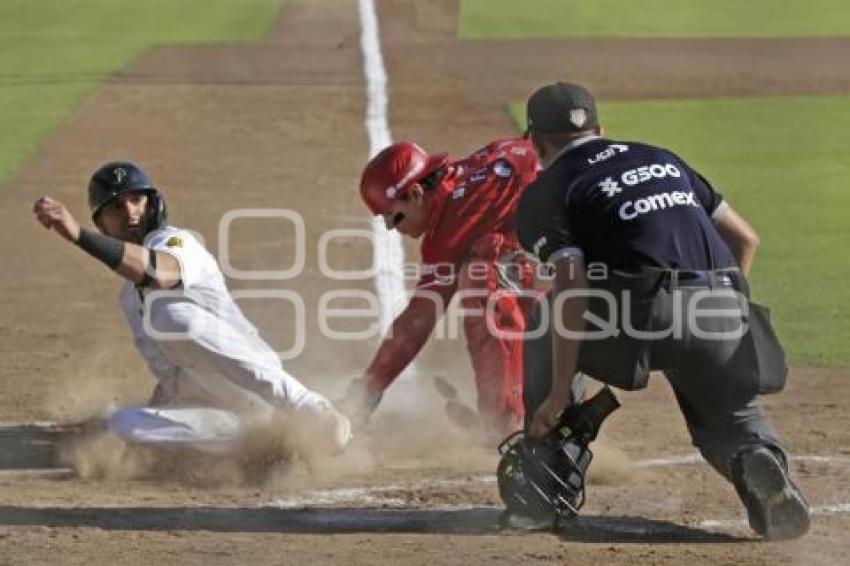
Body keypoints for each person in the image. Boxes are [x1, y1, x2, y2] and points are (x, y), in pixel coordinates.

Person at [516, 82, 809, 539]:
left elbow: (570, 283)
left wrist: (558, 394)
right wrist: (728, 312)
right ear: (601, 129)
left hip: (641, 315)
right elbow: (745, 239)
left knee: (543, 318)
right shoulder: (661, 157)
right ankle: (757, 459)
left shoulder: (546, 191)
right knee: (731, 421)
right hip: (721, 303)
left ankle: (553, 474)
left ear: (534, 142)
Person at [33, 161, 351, 462]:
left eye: (136, 200)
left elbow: (159, 273)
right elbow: (175, 377)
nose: (130, 212)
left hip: (254, 384)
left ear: (153, 204)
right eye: (117, 206)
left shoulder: (176, 242)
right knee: (123, 423)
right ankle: (267, 444)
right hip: (222, 413)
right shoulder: (129, 299)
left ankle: (309, 407)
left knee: (170, 318)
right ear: (102, 223)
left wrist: (76, 235)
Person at [344, 138, 540, 438]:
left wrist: (369, 389)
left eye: (393, 216)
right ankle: (540, 394)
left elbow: (419, 319)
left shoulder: (452, 226)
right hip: (580, 234)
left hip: (596, 255)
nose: (392, 228)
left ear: (415, 192)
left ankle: (505, 425)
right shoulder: (468, 174)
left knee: (482, 277)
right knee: (503, 258)